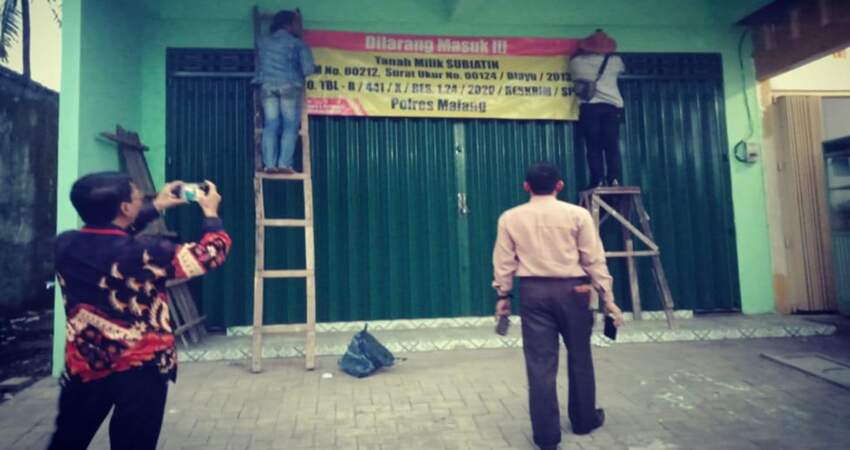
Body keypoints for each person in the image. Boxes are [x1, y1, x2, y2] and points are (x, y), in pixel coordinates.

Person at [47, 173, 231, 450]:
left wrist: (156, 206)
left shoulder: (64, 244)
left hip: (86, 362)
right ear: (124, 208)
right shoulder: (147, 252)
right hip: (141, 367)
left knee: (68, 439)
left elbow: (112, 235)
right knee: (134, 442)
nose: (141, 201)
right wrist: (211, 213)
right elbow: (209, 254)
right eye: (137, 198)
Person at [491, 162, 625, 450]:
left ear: (526, 186)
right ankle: (584, 419)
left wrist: (503, 296)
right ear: (559, 186)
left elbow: (504, 262)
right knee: (580, 355)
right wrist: (608, 299)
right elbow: (593, 259)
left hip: (533, 293)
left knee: (540, 365)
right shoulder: (577, 215)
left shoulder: (510, 218)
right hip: (575, 291)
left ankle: (546, 437)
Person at [255, 9, 316, 174]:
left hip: (266, 86)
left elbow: (259, 66)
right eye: (296, 23)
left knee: (271, 124)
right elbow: (308, 69)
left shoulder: (262, 42)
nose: (298, 27)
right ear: (288, 24)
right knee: (290, 125)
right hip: (289, 86)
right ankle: (284, 164)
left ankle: (269, 164)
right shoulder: (297, 44)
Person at [569, 29, 626, 189]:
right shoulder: (615, 61)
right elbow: (622, 69)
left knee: (593, 146)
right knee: (611, 146)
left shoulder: (576, 63)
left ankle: (598, 179)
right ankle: (614, 179)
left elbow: (574, 74)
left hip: (590, 108)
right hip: (611, 108)